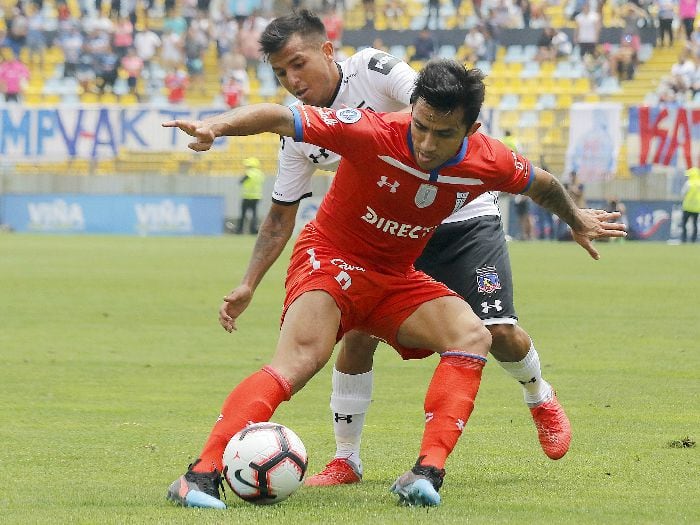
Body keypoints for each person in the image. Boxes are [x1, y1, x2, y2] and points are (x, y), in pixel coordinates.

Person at [162, 58, 626, 508]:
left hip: (395, 277)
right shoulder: (370, 131)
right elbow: (281, 117)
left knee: (474, 335)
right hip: (331, 260)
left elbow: (540, 184)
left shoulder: (490, 159)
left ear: (471, 131)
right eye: (420, 125)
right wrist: (217, 126)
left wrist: (576, 219)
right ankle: (199, 474)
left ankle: (426, 473)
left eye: (442, 133)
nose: (425, 142)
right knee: (301, 360)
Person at [216, 11, 572, 492]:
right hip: (389, 234)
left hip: (461, 219)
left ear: (327, 51)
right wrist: (249, 282)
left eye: (297, 65)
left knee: (498, 332)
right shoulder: (301, 136)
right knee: (358, 333)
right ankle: (346, 459)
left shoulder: (374, 70)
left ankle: (539, 395)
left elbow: (434, 106)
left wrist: (388, 145)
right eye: (280, 74)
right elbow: (281, 216)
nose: (292, 81)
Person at [236, 157, 264, 235]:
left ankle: (240, 230)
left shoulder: (249, 172)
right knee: (254, 215)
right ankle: (253, 230)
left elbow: (241, 181)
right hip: (257, 197)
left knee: (243, 214)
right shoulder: (260, 173)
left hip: (247, 197)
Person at [681, 166, 700, 242]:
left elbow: (683, 193)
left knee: (684, 224)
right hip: (696, 208)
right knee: (694, 224)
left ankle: (684, 239)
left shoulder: (688, 183)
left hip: (687, 207)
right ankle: (693, 240)